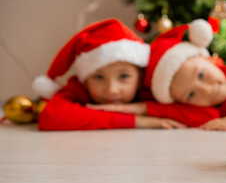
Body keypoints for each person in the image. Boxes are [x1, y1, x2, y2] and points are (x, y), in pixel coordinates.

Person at [32, 19, 186, 130]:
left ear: (140, 77)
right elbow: (50, 117)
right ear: (85, 81)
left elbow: (202, 114)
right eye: (98, 77)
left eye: (124, 76)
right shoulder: (79, 89)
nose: (112, 89)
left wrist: (143, 108)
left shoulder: (153, 89)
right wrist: (137, 121)